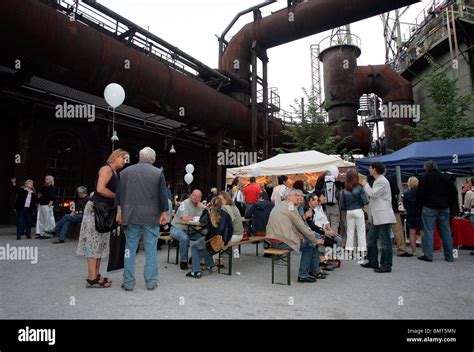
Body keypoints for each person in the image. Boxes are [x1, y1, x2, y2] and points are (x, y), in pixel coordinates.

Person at [116, 147, 168, 291]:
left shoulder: (125, 173)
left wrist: (119, 212)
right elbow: (163, 196)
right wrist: (163, 213)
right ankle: (151, 282)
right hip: (151, 217)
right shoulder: (158, 173)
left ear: (139, 157)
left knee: (129, 250)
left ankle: (128, 283)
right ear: (153, 160)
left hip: (131, 215)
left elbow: (119, 195)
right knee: (151, 249)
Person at [76, 148, 129, 288]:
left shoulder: (115, 173)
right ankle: (92, 278)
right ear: (116, 157)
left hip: (103, 211)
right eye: (123, 158)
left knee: (99, 243)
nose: (125, 161)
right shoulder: (106, 169)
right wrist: (117, 196)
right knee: (93, 243)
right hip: (96, 210)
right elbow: (100, 189)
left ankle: (96, 274)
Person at [266, 188, 325, 283]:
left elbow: (289, 225)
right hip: (281, 241)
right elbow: (302, 226)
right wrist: (314, 240)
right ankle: (304, 275)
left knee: (308, 241)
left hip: (271, 239)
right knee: (309, 246)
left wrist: (299, 235)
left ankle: (314, 270)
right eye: (296, 195)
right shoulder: (290, 207)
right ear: (289, 196)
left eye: (300, 196)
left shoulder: (280, 205)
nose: (299, 197)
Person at [416, 160, 457, 263]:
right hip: (444, 206)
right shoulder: (446, 178)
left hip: (429, 207)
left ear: (426, 168)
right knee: (446, 231)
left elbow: (419, 194)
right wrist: (449, 204)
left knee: (428, 230)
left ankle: (428, 255)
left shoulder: (424, 178)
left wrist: (421, 205)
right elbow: (454, 192)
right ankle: (449, 256)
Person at [360, 162, 396, 273]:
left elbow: (373, 194)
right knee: (371, 239)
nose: (369, 170)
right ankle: (373, 261)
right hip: (378, 216)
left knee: (385, 242)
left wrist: (365, 184)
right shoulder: (379, 180)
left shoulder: (382, 181)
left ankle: (386, 265)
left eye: (370, 168)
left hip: (383, 216)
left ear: (375, 169)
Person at [186, 197, 233, 279]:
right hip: (221, 241)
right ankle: (210, 265)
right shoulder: (226, 214)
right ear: (221, 204)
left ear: (211, 204)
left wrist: (206, 209)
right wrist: (225, 241)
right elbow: (231, 230)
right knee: (203, 244)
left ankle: (196, 271)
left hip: (212, 241)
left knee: (195, 246)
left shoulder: (210, 213)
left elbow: (201, 220)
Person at [170, 189, 206, 270]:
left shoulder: (200, 205)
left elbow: (205, 217)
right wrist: (194, 218)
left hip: (191, 229)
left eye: (197, 196)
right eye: (193, 195)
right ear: (190, 195)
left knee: (206, 238)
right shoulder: (185, 203)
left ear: (200, 198)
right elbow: (184, 218)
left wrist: (205, 207)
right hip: (176, 228)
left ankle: (195, 259)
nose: (195, 197)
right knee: (184, 238)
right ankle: (183, 261)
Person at [340, 169, 368, 259]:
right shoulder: (359, 187)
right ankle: (362, 252)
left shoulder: (345, 188)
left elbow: (342, 204)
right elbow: (365, 200)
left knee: (350, 232)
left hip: (349, 211)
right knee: (361, 232)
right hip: (358, 210)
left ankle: (350, 251)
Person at [388, 174, 411, 257]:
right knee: (397, 229)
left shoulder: (373, 181)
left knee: (380, 230)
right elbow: (397, 191)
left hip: (381, 209)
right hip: (393, 207)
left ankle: (385, 248)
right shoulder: (390, 179)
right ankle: (401, 249)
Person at [402, 176, 423, 256]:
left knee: (412, 232)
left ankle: (413, 251)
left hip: (410, 214)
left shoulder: (406, 193)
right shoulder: (421, 192)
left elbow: (405, 205)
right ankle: (423, 251)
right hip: (420, 213)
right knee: (422, 231)